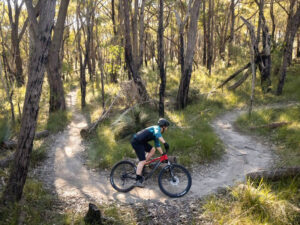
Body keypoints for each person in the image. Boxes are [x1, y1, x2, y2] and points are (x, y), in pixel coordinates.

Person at [130, 118, 170, 187]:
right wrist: (165, 143)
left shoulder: (156, 133)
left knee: (153, 150)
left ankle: (143, 165)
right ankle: (138, 180)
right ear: (163, 126)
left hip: (141, 142)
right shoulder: (157, 128)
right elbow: (158, 134)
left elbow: (157, 145)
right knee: (142, 161)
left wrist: (163, 154)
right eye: (166, 127)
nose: (167, 129)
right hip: (136, 141)